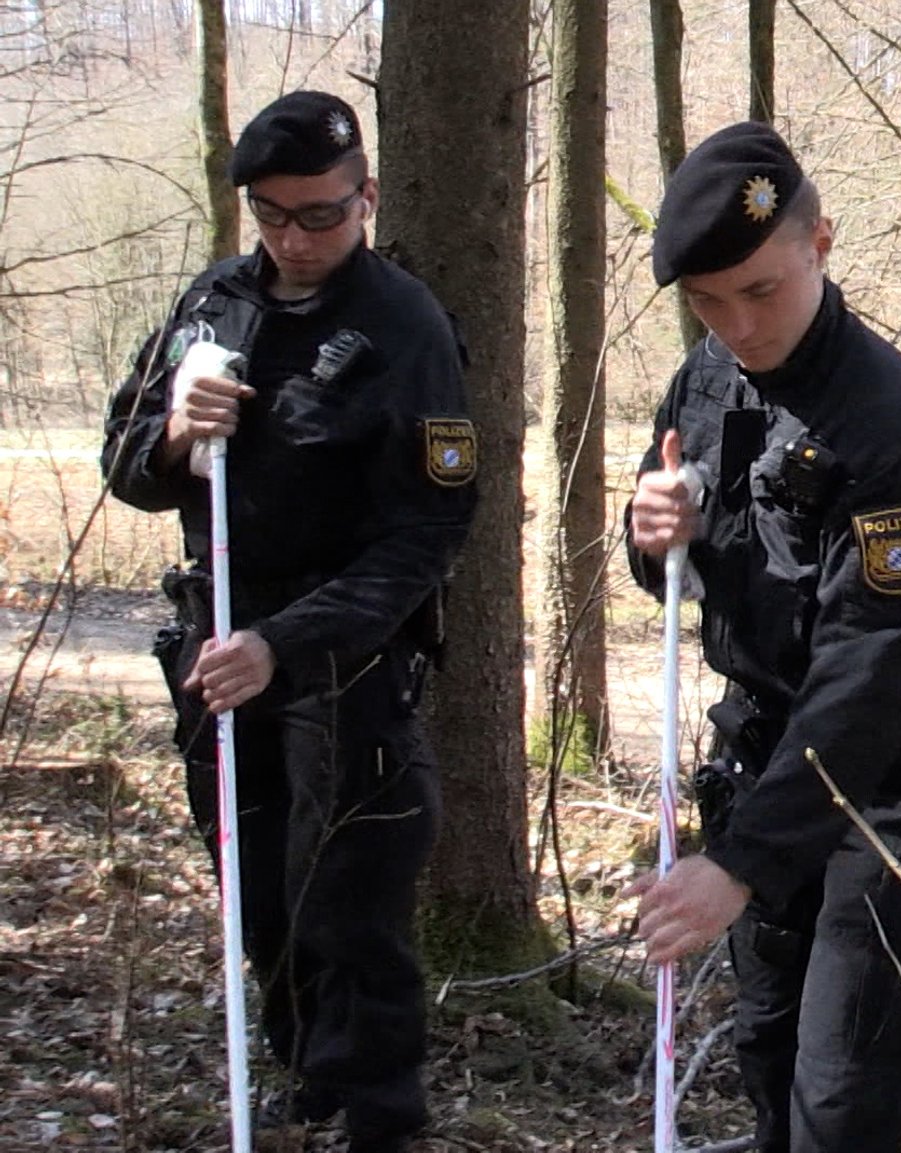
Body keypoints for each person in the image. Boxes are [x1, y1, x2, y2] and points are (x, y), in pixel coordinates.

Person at [100, 91, 476, 1152]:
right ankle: (303, 1083)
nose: (296, 238)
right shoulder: (212, 303)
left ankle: (377, 1118)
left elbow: (428, 531)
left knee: (351, 908)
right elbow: (125, 462)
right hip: (219, 642)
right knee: (259, 898)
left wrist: (288, 643)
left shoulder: (405, 326)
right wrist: (174, 435)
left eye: (320, 214)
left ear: (364, 198)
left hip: (343, 663)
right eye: (272, 214)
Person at [622, 122, 901, 1153]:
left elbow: (871, 673)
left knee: (850, 1102)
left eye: (759, 290)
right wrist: (653, 535)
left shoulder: (890, 421)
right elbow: (670, 564)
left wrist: (735, 863)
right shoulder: (702, 380)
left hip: (889, 790)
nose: (736, 322)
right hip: (766, 756)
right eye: (707, 299)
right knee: (771, 1063)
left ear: (818, 241)